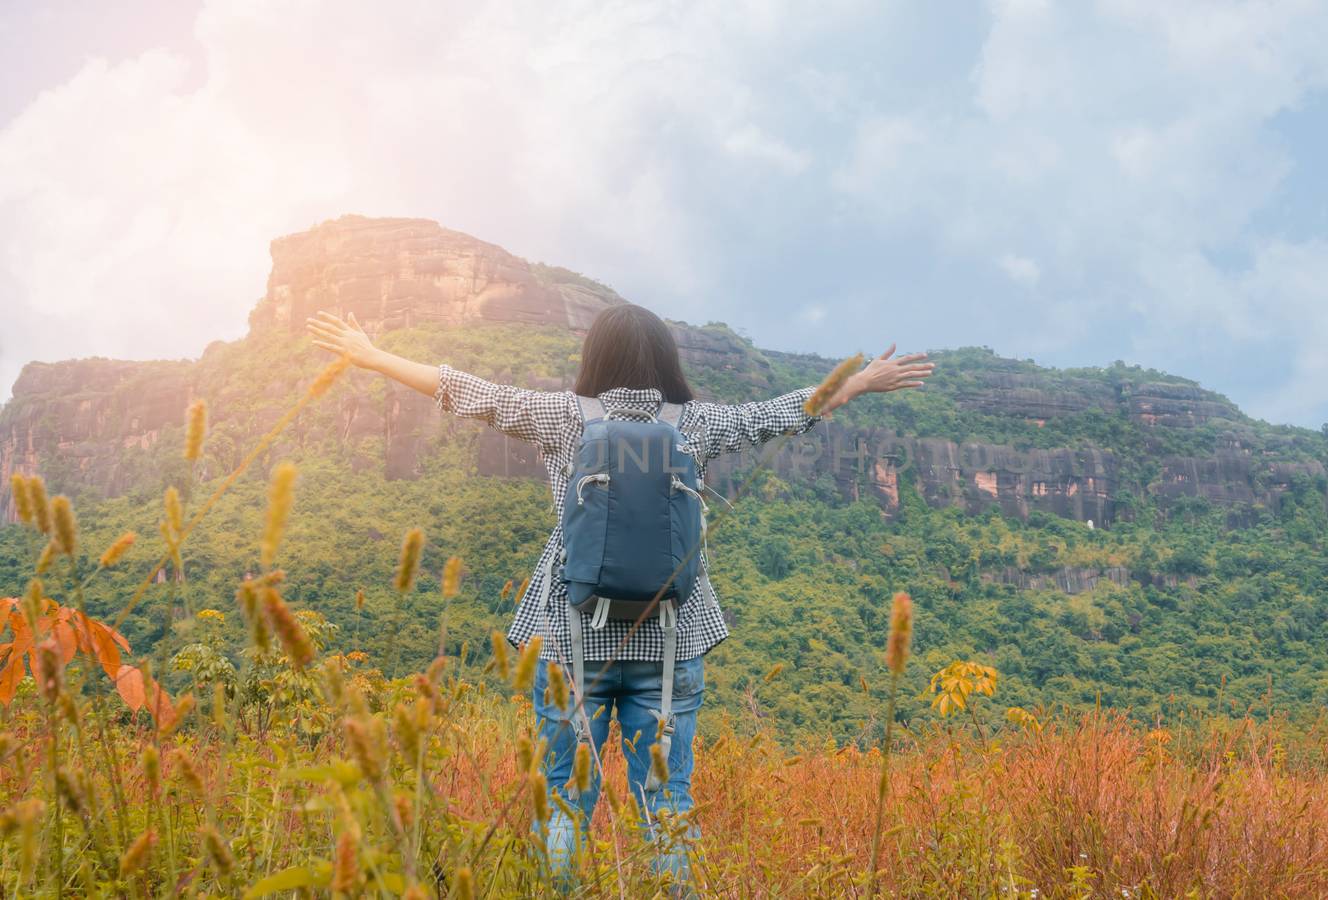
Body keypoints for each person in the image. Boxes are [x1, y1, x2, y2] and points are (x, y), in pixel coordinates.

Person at [308, 303, 933, 887]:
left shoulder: (563, 417)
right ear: (667, 360)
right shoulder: (696, 423)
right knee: (666, 800)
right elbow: (780, 412)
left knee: (560, 795)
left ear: (595, 358)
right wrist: (860, 381)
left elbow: (470, 393)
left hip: (569, 639)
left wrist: (373, 354)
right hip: (671, 639)